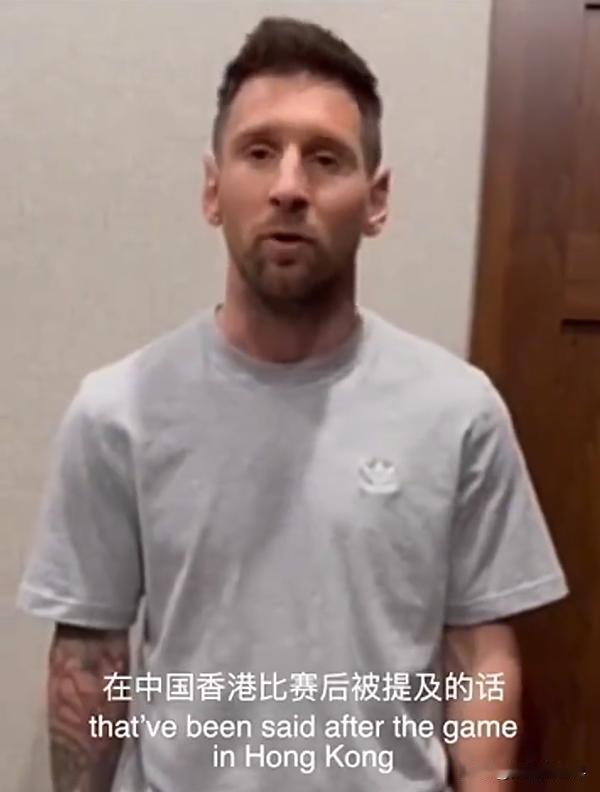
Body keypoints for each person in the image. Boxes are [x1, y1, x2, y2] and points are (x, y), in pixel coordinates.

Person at [16, 15, 569, 792]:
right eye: (259, 152)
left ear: (376, 201)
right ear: (213, 189)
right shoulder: (118, 413)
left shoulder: (457, 412)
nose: (288, 187)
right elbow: (88, 656)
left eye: (325, 158)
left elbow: (479, 649)